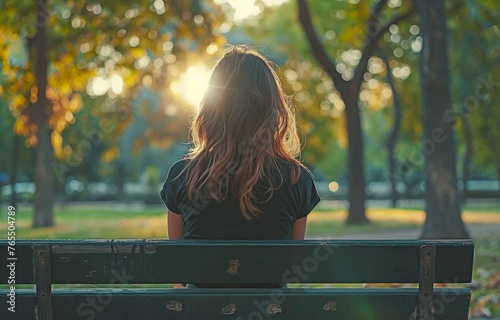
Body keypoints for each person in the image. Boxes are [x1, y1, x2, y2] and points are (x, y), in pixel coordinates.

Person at [160, 45, 320, 243]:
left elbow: (178, 261)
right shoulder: (296, 180)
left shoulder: (183, 177)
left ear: (211, 109)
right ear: (271, 108)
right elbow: (294, 261)